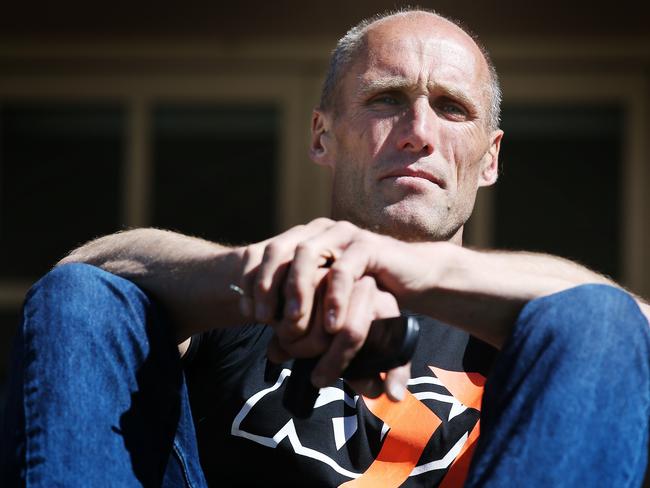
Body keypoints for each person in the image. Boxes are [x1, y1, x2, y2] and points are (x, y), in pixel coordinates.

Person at [2, 7, 649, 487]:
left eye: (452, 108)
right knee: (87, 294)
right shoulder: (252, 302)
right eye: (386, 99)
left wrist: (419, 270)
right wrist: (252, 271)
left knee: (600, 318)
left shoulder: (530, 336)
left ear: (490, 159)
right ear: (321, 136)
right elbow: (75, 290)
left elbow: (632, 333)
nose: (419, 131)